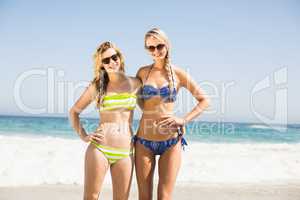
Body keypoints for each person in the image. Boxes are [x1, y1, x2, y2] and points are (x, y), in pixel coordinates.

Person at [134, 28, 210, 200]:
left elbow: (205, 100)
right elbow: (135, 99)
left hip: (171, 142)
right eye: (150, 48)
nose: (155, 51)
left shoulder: (179, 73)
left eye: (159, 46)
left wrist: (183, 120)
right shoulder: (142, 72)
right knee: (144, 196)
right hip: (144, 141)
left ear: (167, 45)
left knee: (165, 196)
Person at [69, 41, 141, 200]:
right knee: (91, 197)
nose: (111, 62)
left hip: (125, 152)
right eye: (106, 60)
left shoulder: (136, 83)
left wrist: (173, 123)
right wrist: (84, 136)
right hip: (99, 149)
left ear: (120, 58)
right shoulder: (97, 86)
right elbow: (73, 112)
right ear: (101, 65)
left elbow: (153, 108)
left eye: (114, 57)